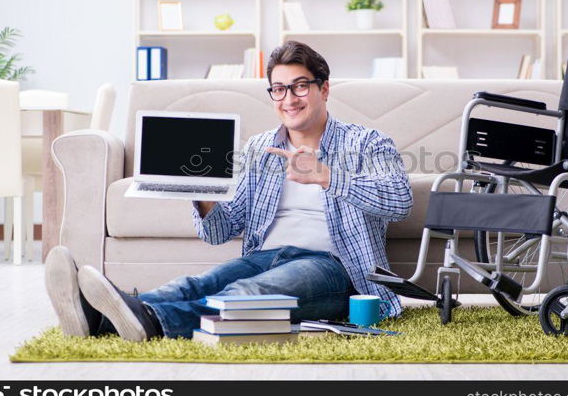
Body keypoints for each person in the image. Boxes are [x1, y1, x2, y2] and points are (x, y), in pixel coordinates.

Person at [45, 40, 413, 341]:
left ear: (324, 88)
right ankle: (95, 318)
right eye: (279, 89)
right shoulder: (258, 148)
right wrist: (200, 191)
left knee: (249, 296)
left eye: (300, 86)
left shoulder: (367, 142)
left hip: (333, 268)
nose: (289, 99)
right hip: (265, 255)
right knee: (193, 284)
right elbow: (219, 232)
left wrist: (326, 176)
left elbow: (400, 201)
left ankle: (152, 323)